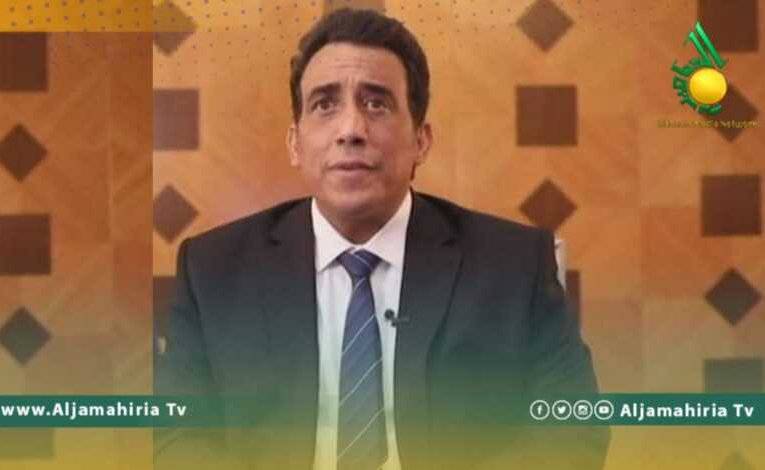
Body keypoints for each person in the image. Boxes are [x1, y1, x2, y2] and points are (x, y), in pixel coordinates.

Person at [156, 8, 609, 470]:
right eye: (325, 105)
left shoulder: (514, 266)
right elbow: (176, 436)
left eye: (376, 104)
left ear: (421, 141)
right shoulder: (213, 270)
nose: (351, 130)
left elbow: (572, 430)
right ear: (295, 142)